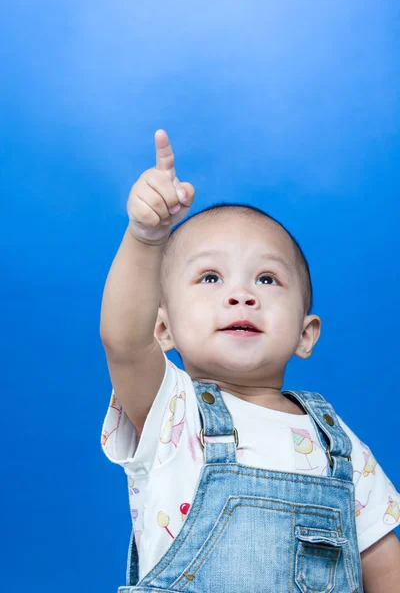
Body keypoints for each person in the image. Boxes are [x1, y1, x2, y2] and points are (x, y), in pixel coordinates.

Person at [99, 129, 400, 592]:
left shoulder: (337, 444)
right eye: (211, 277)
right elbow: (123, 340)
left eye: (266, 278)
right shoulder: (171, 412)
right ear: (164, 330)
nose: (241, 295)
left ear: (305, 333)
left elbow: (385, 568)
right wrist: (146, 238)